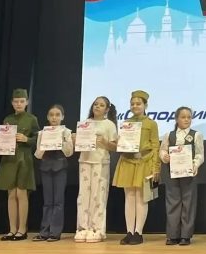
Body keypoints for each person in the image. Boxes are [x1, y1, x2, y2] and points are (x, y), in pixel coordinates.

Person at [111, 90, 160, 245]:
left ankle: (139, 232)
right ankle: (129, 232)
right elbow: (122, 144)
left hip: (144, 162)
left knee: (141, 197)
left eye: (138, 103)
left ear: (145, 105)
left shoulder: (151, 124)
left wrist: (156, 167)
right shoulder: (126, 123)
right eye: (132, 104)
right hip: (127, 162)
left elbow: (155, 146)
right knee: (129, 197)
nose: (135, 106)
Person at [0, 88, 39, 241]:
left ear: (27, 102)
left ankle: (22, 229)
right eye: (16, 101)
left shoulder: (31, 119)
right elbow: (4, 137)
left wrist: (27, 139)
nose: (19, 104)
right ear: (12, 103)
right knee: (11, 194)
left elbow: (38, 138)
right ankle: (12, 229)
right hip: (9, 159)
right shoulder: (8, 119)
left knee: (21, 193)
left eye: (22, 101)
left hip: (24, 159)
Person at [75, 96, 118, 243]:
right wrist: (75, 139)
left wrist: (105, 142)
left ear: (107, 109)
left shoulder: (109, 125)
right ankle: (83, 228)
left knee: (98, 196)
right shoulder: (85, 123)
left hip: (101, 162)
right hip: (85, 160)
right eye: (95, 104)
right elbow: (78, 144)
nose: (97, 107)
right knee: (83, 196)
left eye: (101, 105)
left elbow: (115, 147)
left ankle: (97, 229)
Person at [160, 106, 204, 245]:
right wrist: (164, 156)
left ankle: (186, 235)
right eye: (183, 117)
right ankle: (173, 235)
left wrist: (195, 164)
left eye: (189, 117)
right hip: (172, 173)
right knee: (172, 203)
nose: (186, 120)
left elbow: (200, 154)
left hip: (189, 173)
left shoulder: (196, 135)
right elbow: (162, 150)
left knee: (188, 203)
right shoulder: (169, 135)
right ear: (176, 119)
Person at [33, 104, 74, 241]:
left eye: (57, 115)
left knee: (58, 201)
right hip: (46, 167)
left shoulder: (66, 132)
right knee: (47, 201)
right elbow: (38, 155)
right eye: (51, 115)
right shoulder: (42, 133)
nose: (54, 118)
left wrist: (60, 141)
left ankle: (55, 232)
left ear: (62, 117)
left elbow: (69, 152)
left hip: (60, 167)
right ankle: (44, 231)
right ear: (47, 117)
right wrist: (45, 144)